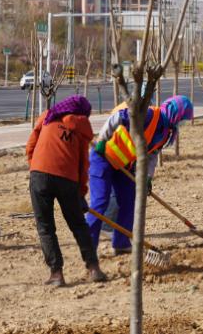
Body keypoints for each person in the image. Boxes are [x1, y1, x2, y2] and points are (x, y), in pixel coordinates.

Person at [86, 95, 194, 253]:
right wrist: (102, 139)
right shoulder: (149, 115)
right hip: (103, 156)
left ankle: (121, 244)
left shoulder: (166, 132)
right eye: (183, 118)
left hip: (124, 163)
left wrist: (147, 178)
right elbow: (117, 117)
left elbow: (152, 155)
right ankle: (88, 248)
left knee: (130, 199)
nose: (182, 123)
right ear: (176, 113)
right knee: (101, 201)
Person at [26, 95, 107, 286]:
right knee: (78, 224)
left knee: (45, 227)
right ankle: (93, 268)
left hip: (39, 175)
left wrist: (36, 167)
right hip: (67, 179)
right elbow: (83, 164)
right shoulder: (82, 128)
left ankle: (56, 274)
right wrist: (80, 192)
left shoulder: (47, 116)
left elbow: (31, 146)